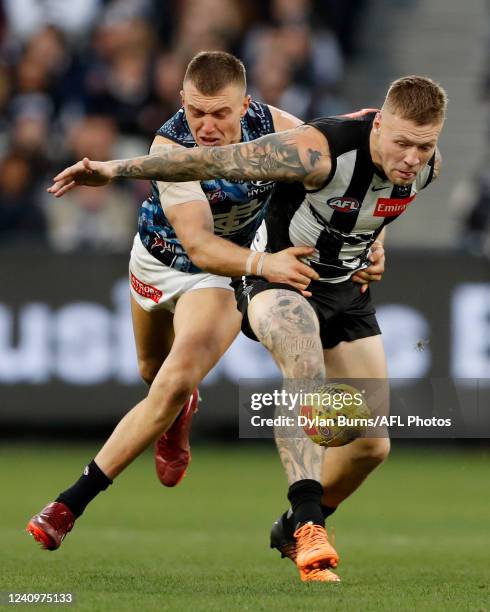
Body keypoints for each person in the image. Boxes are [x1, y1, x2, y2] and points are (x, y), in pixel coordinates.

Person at [38, 73, 446, 586]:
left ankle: (291, 525)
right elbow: (208, 161)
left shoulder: (426, 167)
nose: (411, 157)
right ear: (380, 124)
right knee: (302, 368)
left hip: (345, 291)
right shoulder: (317, 151)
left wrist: (371, 245)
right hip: (277, 276)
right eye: (402, 143)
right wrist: (113, 169)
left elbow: (376, 206)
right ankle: (310, 525)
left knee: (371, 445)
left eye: (423, 146)